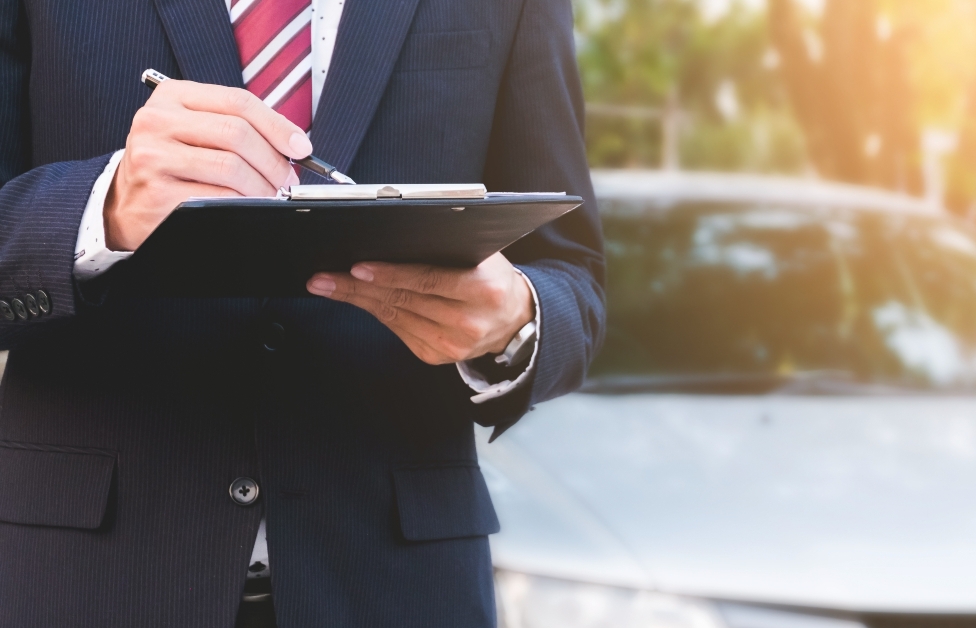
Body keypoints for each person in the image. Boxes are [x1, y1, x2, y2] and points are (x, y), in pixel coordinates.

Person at [0, 0, 604, 625]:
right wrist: (107, 206)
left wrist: (512, 323)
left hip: (398, 587)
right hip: (83, 580)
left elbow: (576, 282)